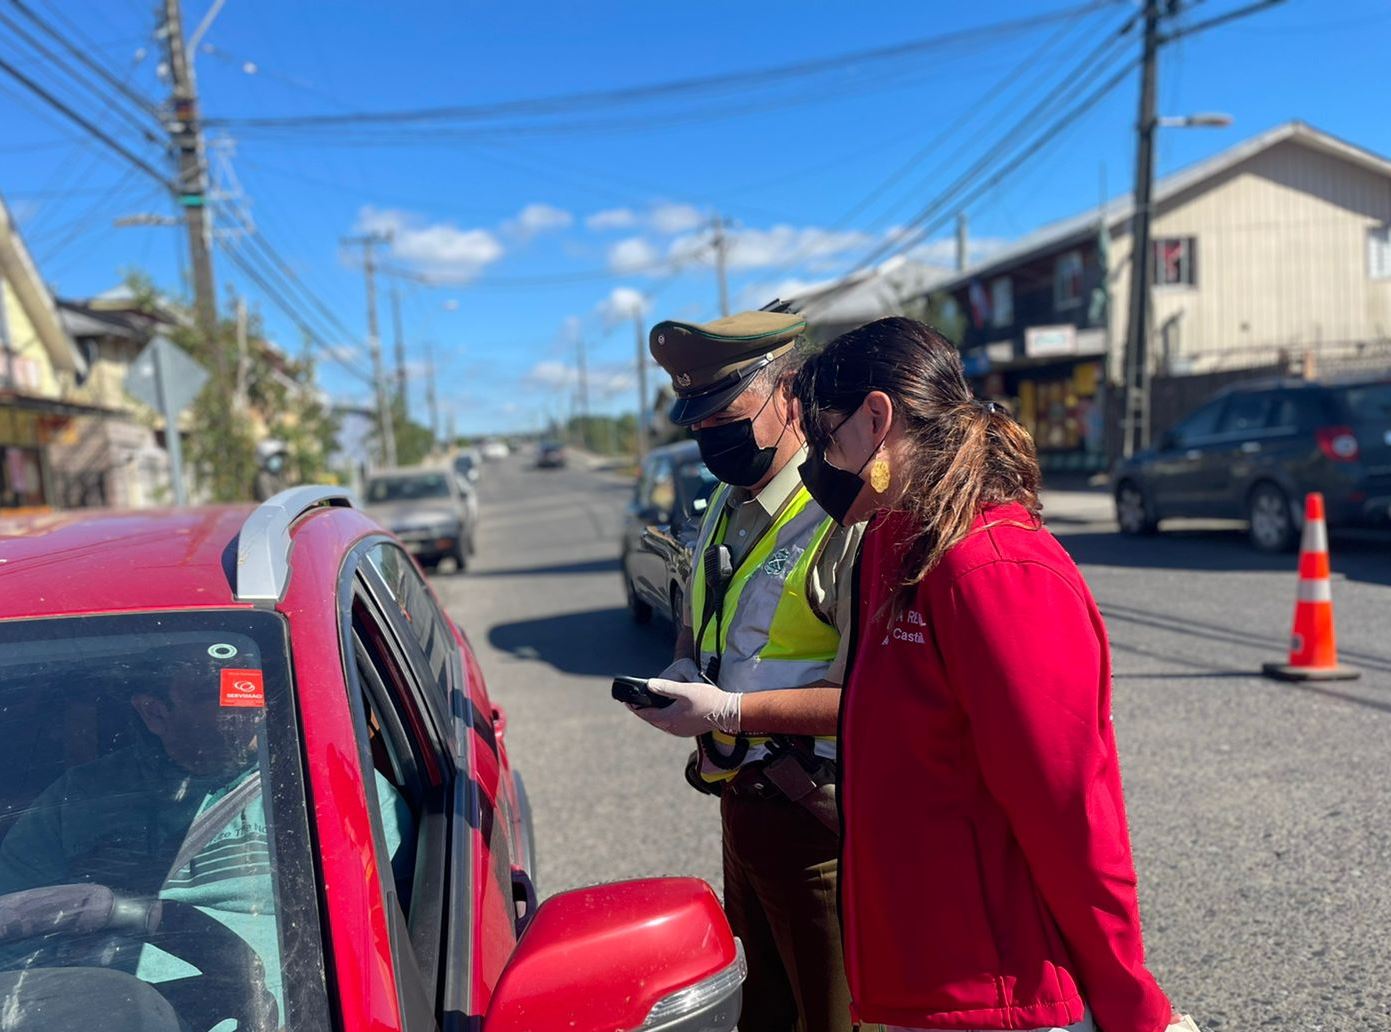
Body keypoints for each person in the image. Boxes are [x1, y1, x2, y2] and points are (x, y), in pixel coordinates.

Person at [782, 316, 1193, 1032]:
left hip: (998, 994)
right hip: (922, 974)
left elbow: (1068, 814)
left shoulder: (994, 569)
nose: (815, 458)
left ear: (876, 418)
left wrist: (1131, 1001)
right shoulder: (893, 539)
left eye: (823, 435)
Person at [629, 310, 864, 1032]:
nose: (708, 440)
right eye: (695, 425)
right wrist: (684, 668)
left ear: (788, 391)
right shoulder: (727, 507)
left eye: (723, 417)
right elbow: (713, 618)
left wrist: (728, 712)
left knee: (835, 1019)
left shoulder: (842, 513)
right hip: (743, 810)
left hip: (820, 826)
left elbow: (875, 699)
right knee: (760, 1015)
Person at [0, 648, 412, 1023]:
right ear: (154, 713)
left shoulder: (324, 787)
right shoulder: (79, 798)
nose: (247, 711)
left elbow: (388, 936)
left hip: (288, 1013)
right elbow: (13, 928)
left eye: (246, 692)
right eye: (215, 696)